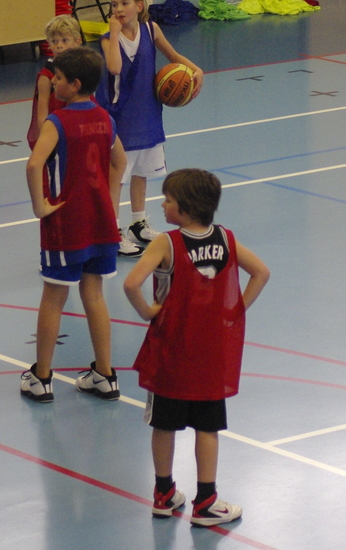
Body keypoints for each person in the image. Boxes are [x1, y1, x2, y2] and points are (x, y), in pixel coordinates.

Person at [122, 168, 270, 526]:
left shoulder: (166, 243)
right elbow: (261, 272)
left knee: (164, 424)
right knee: (207, 427)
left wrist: (148, 312)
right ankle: (206, 502)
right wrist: (235, 310)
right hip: (210, 354)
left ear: (185, 209)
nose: (162, 204)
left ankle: (164, 493)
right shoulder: (227, 239)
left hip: (171, 352)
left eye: (168, 200)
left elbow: (131, 283)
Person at [20, 47, 127, 403]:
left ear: (75, 84)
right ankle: (105, 375)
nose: (54, 82)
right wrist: (111, 203)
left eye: (59, 78)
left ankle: (42, 377)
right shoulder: (105, 118)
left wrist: (40, 206)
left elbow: (34, 165)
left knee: (54, 297)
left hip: (67, 222)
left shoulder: (58, 121)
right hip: (101, 221)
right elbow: (120, 161)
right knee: (94, 295)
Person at [96, 0, 203, 257]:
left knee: (142, 171)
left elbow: (173, 55)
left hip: (147, 111)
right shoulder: (108, 38)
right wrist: (114, 32)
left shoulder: (151, 29)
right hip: (118, 115)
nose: (118, 9)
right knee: (117, 177)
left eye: (124, 3)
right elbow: (114, 67)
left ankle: (138, 223)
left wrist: (196, 70)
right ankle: (112, 233)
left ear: (139, 5)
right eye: (114, 5)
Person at [26, 15, 84, 150]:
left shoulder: (84, 68)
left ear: (78, 40)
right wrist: (46, 140)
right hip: (57, 130)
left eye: (64, 40)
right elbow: (42, 113)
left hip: (79, 127)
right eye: (54, 41)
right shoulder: (47, 75)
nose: (59, 45)